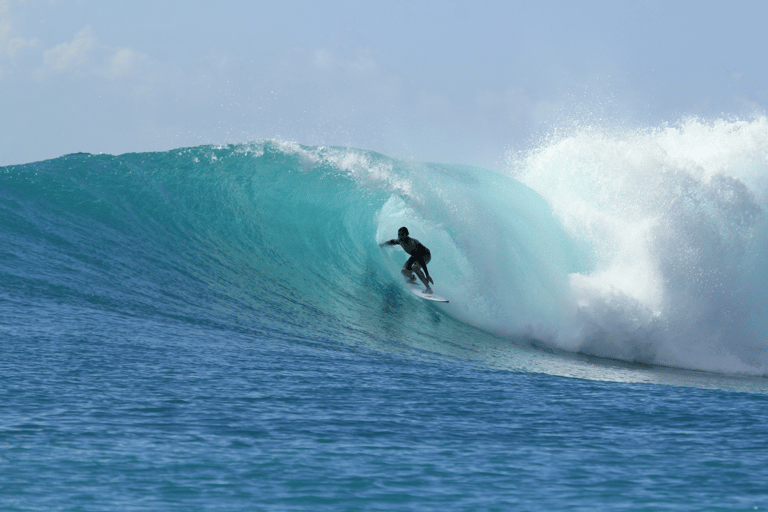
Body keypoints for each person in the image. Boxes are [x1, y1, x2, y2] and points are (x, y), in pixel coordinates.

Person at [380, 226, 434, 294]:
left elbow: (421, 260)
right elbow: (392, 241)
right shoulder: (400, 240)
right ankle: (412, 278)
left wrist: (427, 275)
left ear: (407, 234)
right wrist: (383, 244)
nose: (400, 236)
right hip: (415, 255)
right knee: (404, 271)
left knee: (415, 268)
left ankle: (429, 289)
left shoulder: (411, 243)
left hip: (425, 255)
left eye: (402, 234)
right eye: (399, 234)